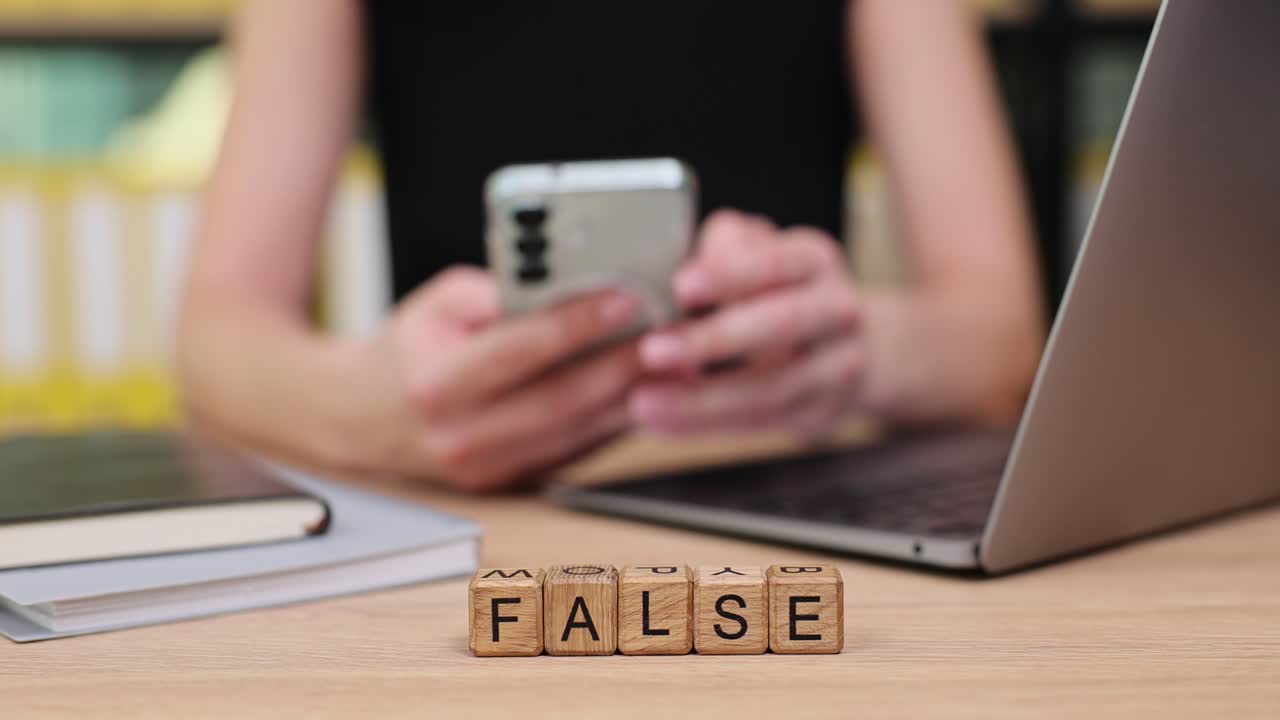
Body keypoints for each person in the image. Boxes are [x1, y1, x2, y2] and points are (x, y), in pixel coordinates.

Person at [178, 1, 1044, 492]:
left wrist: (850, 353)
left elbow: (1003, 339)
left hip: (785, 513)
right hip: (469, 528)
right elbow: (215, 333)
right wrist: (357, 409)